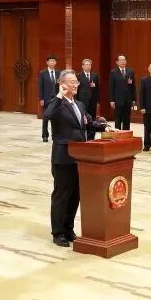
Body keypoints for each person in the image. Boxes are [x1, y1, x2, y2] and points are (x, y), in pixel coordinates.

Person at [44, 70, 113, 246]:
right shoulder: (56, 103)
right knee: (62, 195)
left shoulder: (80, 105)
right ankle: (58, 232)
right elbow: (48, 114)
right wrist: (60, 94)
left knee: (75, 195)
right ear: (62, 84)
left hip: (80, 157)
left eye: (76, 82)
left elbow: (89, 122)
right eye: (72, 82)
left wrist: (104, 127)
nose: (76, 85)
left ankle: (68, 229)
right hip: (63, 158)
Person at [108, 54, 136, 131]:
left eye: (124, 60)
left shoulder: (130, 71)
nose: (123, 62)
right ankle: (118, 136)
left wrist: (134, 99)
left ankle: (126, 136)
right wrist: (111, 100)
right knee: (118, 120)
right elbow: (111, 87)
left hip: (128, 100)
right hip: (118, 100)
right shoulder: (113, 72)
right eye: (121, 60)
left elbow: (133, 86)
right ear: (117, 62)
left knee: (127, 120)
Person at [37, 55, 59, 142]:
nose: (52, 62)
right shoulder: (42, 73)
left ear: (55, 62)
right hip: (46, 99)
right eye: (50, 61)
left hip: (56, 99)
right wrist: (41, 98)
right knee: (45, 118)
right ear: (47, 62)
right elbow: (40, 87)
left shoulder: (58, 73)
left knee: (56, 118)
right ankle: (45, 135)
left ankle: (55, 134)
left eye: (53, 61)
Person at [75, 58, 100, 126]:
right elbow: (76, 89)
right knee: (83, 116)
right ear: (82, 66)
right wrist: (76, 100)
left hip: (93, 100)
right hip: (82, 100)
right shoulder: (78, 75)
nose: (88, 66)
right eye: (86, 65)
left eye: (89, 65)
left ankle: (92, 130)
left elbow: (97, 88)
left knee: (92, 116)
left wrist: (98, 100)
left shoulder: (95, 75)